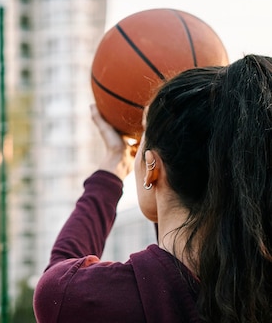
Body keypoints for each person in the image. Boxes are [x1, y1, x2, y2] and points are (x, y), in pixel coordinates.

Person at [33, 54, 272, 323]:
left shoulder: (101, 301)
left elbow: (60, 282)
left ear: (151, 167)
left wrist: (112, 166)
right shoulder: (257, 290)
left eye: (143, 134)